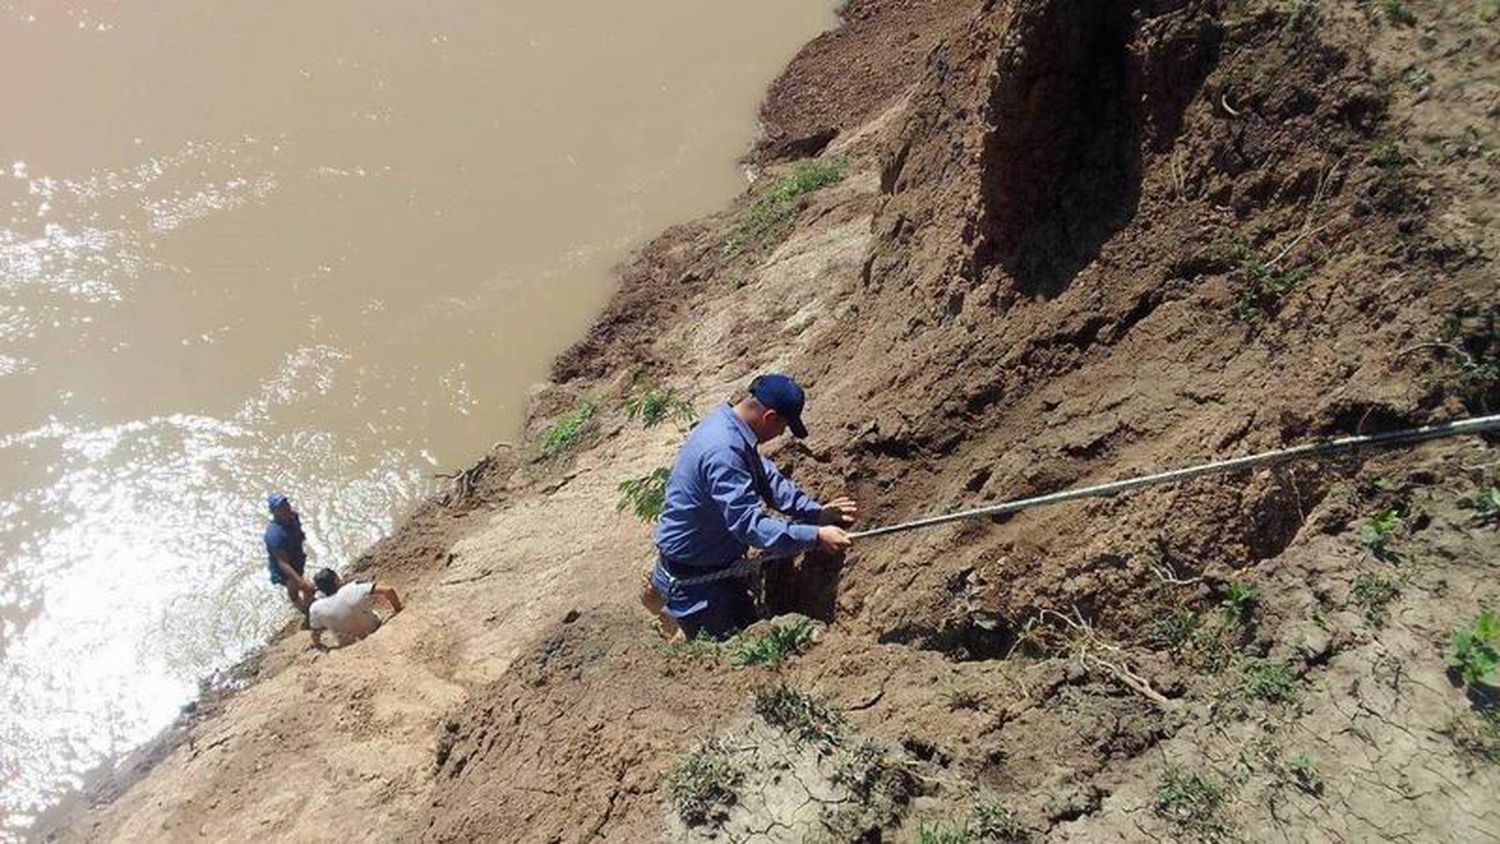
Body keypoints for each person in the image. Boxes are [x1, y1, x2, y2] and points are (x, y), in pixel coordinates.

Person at [649, 373, 856, 640]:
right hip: (697, 584)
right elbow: (748, 525)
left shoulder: (728, 424)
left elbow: (765, 476)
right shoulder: (723, 450)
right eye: (783, 426)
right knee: (735, 653)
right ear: (769, 417)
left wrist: (815, 512)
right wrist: (815, 536)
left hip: (711, 568)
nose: (782, 433)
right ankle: (678, 630)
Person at [307, 567, 403, 648]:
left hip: (347, 643)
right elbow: (389, 590)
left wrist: (318, 645)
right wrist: (398, 609)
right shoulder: (354, 587)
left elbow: (315, 634)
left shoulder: (315, 608)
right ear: (336, 579)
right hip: (374, 628)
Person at [264, 493, 316, 614]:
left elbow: (299, 532)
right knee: (293, 586)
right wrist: (300, 582)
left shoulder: (293, 516)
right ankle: (297, 603)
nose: (286, 508)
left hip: (296, 557)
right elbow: (283, 563)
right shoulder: (274, 534)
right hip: (284, 569)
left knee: (302, 581)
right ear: (274, 512)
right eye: (281, 507)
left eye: (286, 503)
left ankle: (306, 601)